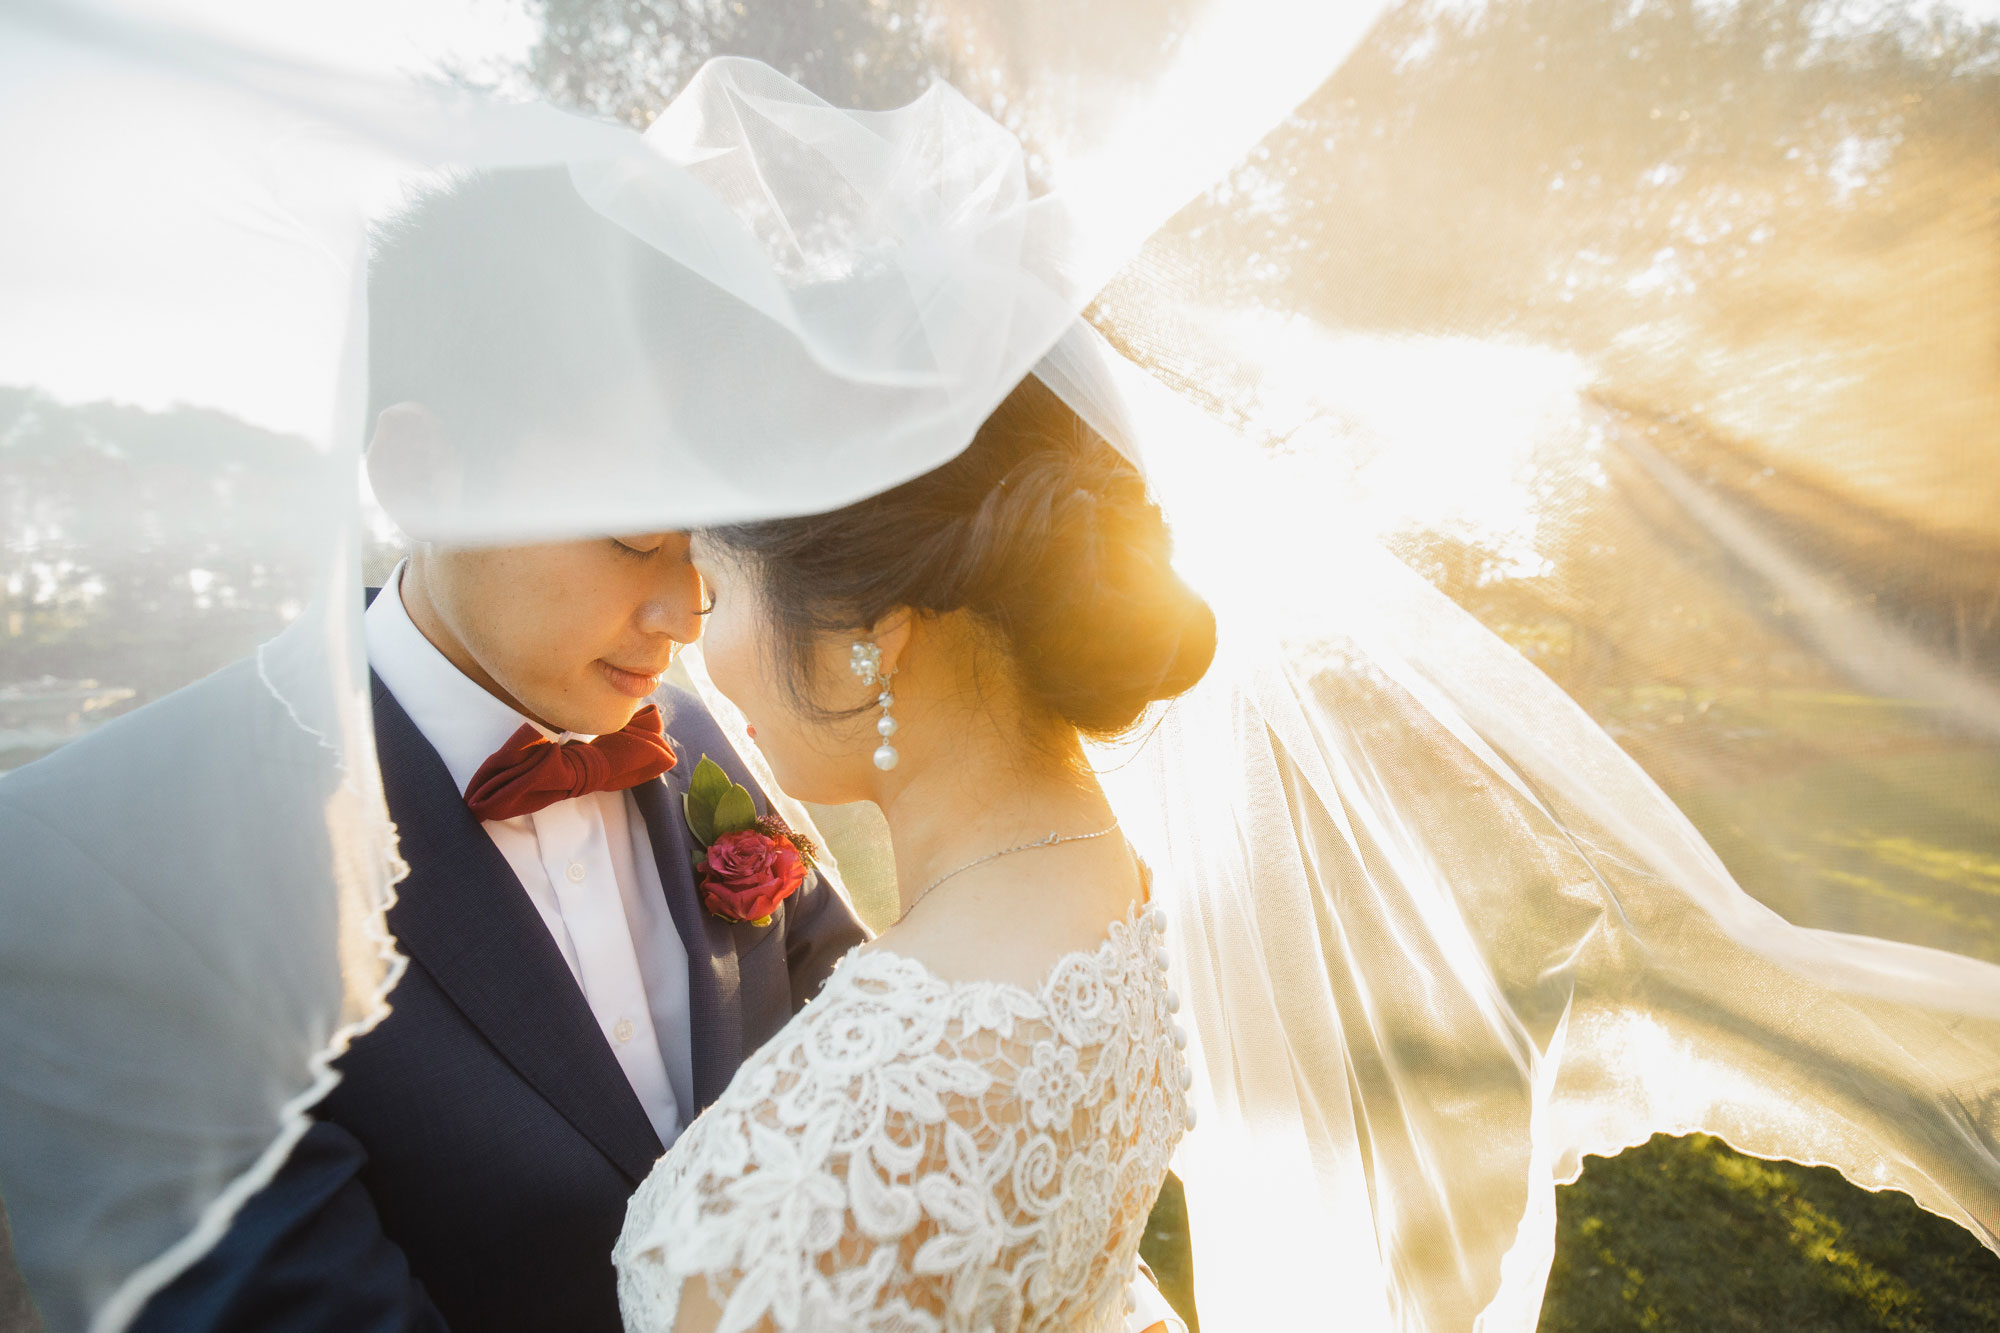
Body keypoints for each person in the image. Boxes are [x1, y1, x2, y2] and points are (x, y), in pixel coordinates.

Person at [98, 172, 871, 1331]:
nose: (685, 614)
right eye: (633, 539)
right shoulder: (177, 866)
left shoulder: (697, 736)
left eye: (702, 546)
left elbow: (858, 1042)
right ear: (424, 480)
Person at [612, 373, 1211, 1331]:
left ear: (871, 635)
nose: (693, 642)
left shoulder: (849, 1144)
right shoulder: (1098, 867)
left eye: (715, 590)